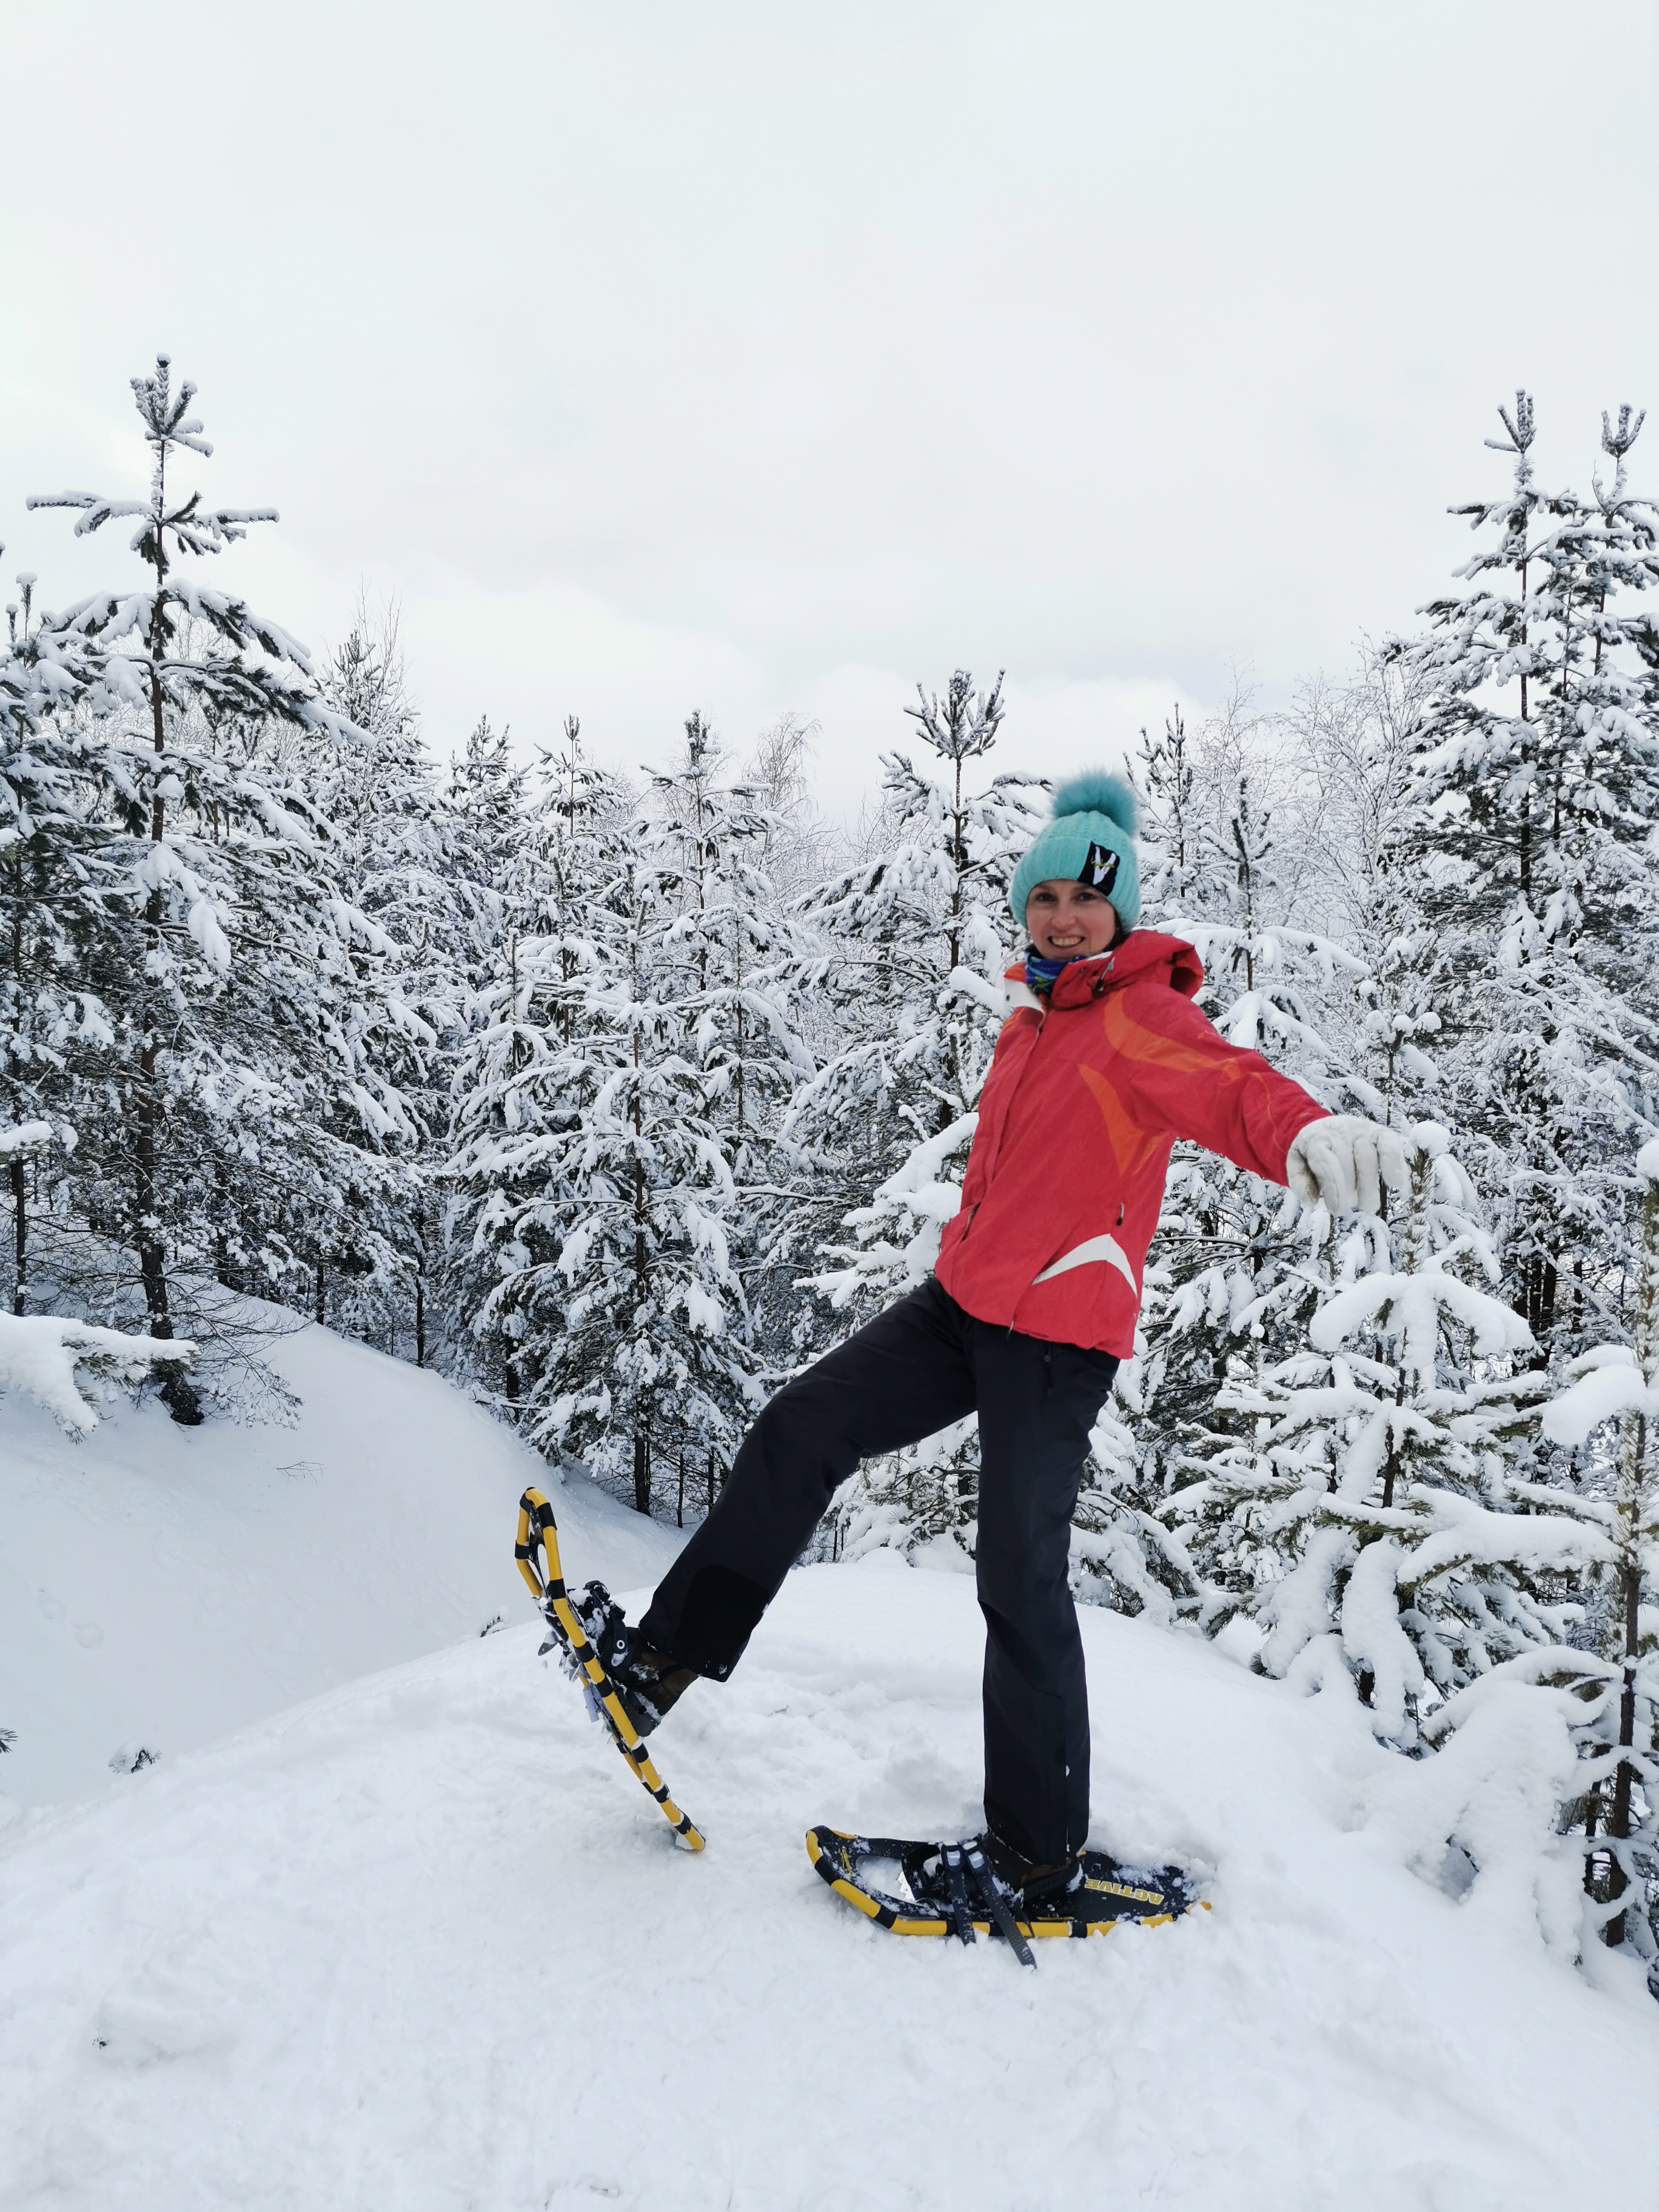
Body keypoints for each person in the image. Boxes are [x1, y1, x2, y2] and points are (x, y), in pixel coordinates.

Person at [599, 772, 1404, 1911]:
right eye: (1046, 899)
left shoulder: (1137, 1015)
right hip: (961, 1309)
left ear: (1120, 912)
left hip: (1055, 1340)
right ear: (1025, 910)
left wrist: (1306, 1130)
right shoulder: (1033, 1022)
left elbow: (1231, 1087)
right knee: (801, 1428)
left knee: (1018, 1577)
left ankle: (1035, 1855)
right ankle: (659, 1667)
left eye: (1087, 898)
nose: (1065, 916)